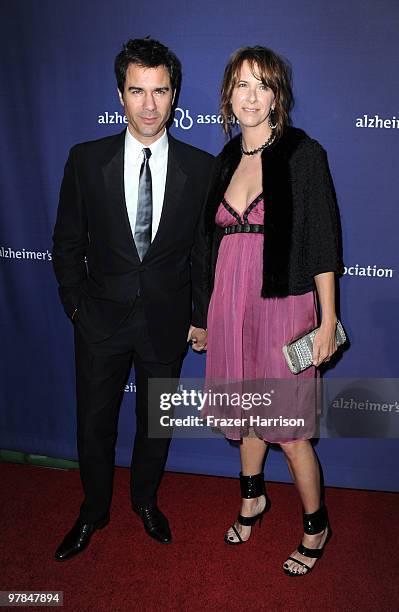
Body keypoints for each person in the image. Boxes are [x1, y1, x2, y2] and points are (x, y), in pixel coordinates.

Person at [52, 38, 212, 560]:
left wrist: (200, 316)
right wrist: (76, 305)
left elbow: (202, 255)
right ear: (119, 94)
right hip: (99, 319)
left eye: (159, 91)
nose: (148, 104)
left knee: (155, 424)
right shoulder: (86, 159)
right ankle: (93, 510)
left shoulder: (201, 168)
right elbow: (67, 242)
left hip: (166, 324)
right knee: (93, 423)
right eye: (137, 90)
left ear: (174, 95)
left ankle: (145, 500)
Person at [203, 46, 342, 576]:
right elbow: (209, 246)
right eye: (242, 85)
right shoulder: (223, 161)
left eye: (263, 85)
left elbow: (323, 242)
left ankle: (316, 523)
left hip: (283, 302)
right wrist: (204, 317)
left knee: (288, 426)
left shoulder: (303, 153)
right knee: (245, 412)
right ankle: (252, 499)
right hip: (229, 303)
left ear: (277, 95)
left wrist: (327, 321)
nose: (252, 96)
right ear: (228, 96)